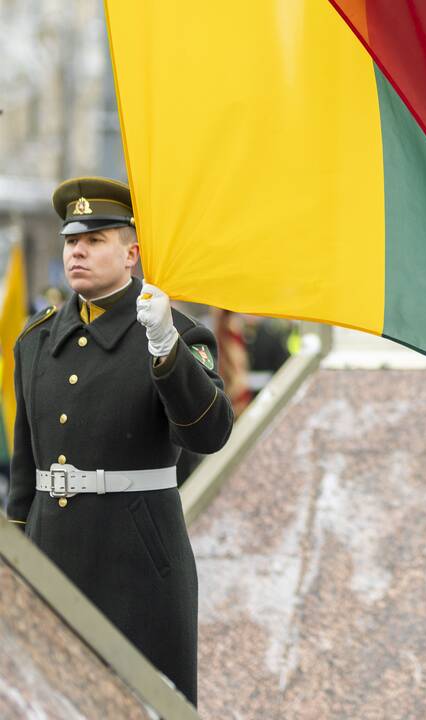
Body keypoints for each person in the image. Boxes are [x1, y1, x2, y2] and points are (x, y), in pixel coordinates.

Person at [5, 177, 234, 705]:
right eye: (70, 241)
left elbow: (209, 432)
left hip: (138, 561)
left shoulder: (174, 333)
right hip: (52, 553)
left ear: (131, 253)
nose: (77, 251)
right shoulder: (36, 340)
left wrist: (166, 351)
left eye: (96, 239)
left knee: (144, 701)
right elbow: (25, 471)